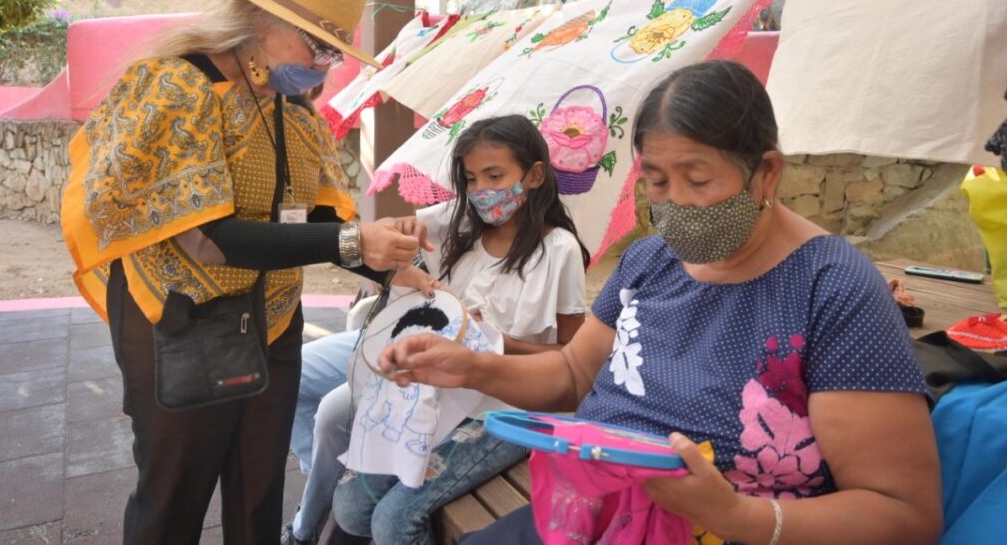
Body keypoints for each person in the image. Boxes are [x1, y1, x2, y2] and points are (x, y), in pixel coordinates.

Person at [378, 61, 944, 544]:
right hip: (594, 508)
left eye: (697, 180)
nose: (675, 204)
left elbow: (901, 511)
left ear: (766, 173)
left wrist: (738, 516)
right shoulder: (651, 261)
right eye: (655, 182)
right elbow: (575, 372)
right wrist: (473, 366)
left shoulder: (832, 288)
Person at [61, 0, 430, 545]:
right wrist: (350, 242)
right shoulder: (175, 88)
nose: (325, 64)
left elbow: (312, 216)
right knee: (172, 496)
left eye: (334, 52)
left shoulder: (293, 114)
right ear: (261, 19)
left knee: (259, 494)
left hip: (274, 317)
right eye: (317, 45)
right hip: (179, 315)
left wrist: (386, 262)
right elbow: (211, 238)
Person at [283, 115, 591, 545]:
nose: (483, 191)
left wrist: (492, 341)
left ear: (535, 175)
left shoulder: (559, 250)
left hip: (506, 408)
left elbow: (570, 358)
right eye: (471, 179)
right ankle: (311, 520)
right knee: (352, 510)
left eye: (495, 175)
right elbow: (399, 230)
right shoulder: (457, 224)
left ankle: (311, 530)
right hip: (432, 391)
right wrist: (401, 230)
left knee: (392, 525)